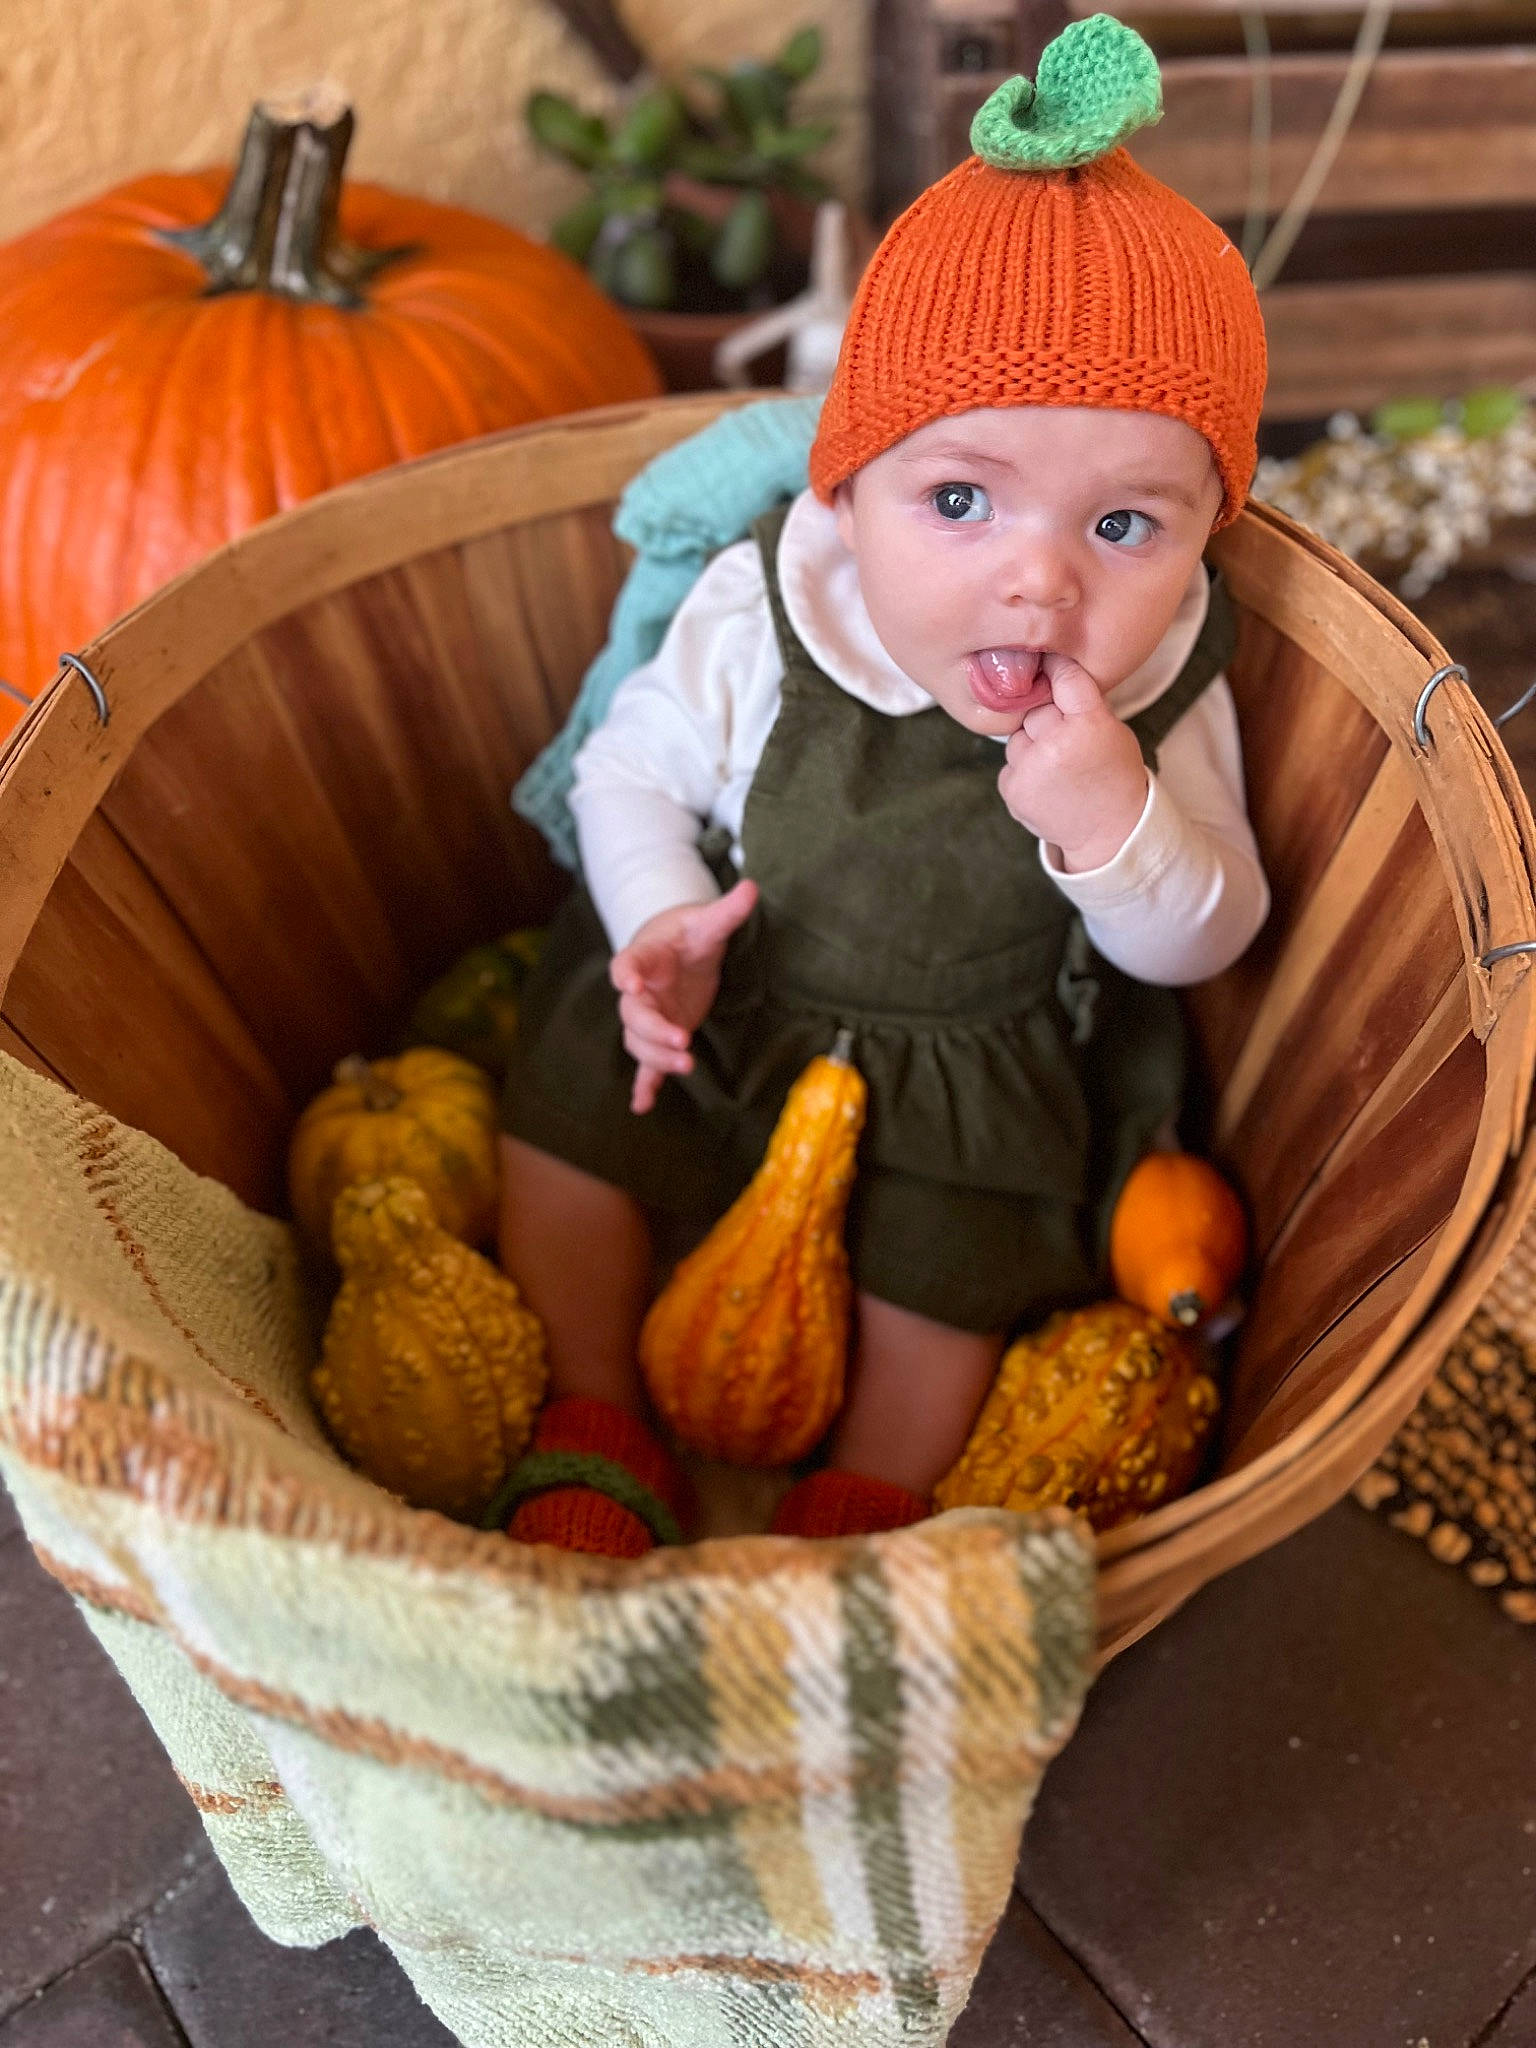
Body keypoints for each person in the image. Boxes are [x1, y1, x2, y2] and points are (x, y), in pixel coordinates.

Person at [493, 15, 1270, 1556]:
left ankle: (863, 1506)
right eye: (961, 500)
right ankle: (589, 1421)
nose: (1035, 584)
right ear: (845, 489)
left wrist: (1117, 827)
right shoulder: (776, 610)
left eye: (1124, 528)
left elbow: (1212, 932)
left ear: (1199, 538)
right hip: (742, 988)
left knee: (958, 1267)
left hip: (966, 1068)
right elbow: (629, 768)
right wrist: (659, 925)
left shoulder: (1169, 677)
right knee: (573, 1120)